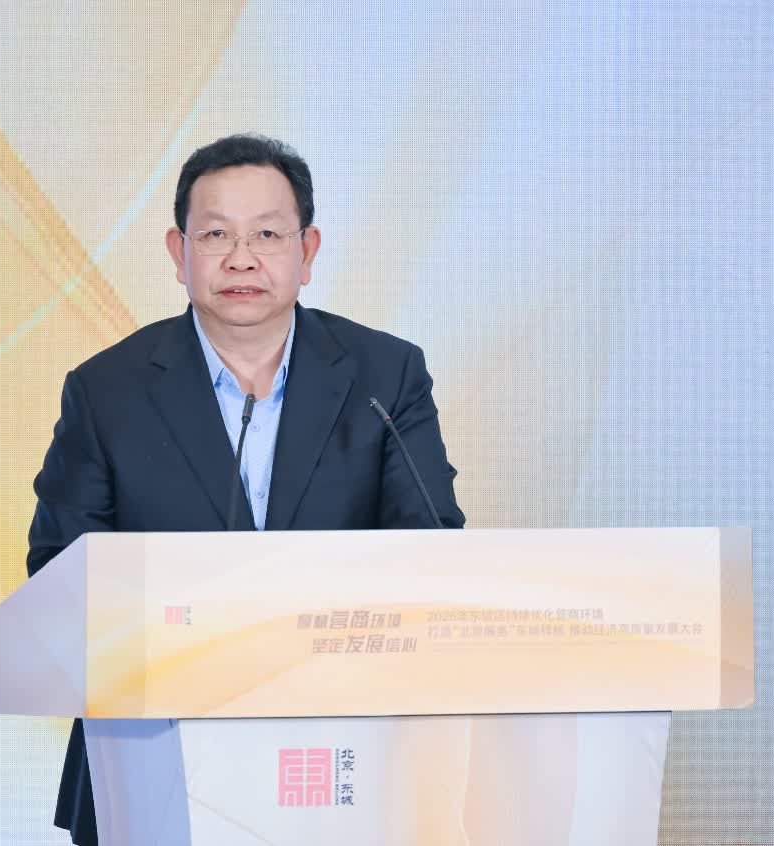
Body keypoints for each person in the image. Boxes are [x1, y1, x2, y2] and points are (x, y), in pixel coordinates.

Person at [26, 133, 464, 845]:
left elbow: (431, 550)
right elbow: (59, 575)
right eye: (215, 235)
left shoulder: (386, 378)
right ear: (179, 253)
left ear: (307, 251)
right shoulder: (106, 392)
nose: (241, 258)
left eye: (267, 234)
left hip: (343, 756)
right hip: (152, 760)